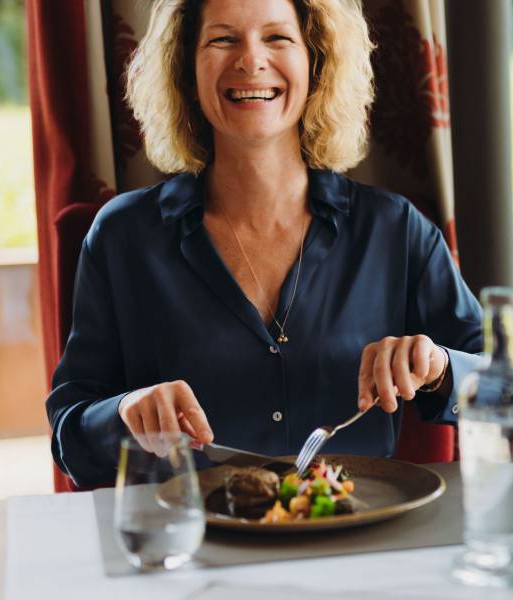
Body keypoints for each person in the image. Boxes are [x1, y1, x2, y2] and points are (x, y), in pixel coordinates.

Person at [46, 0, 482, 487]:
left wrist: (440, 366)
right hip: (192, 548)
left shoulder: (396, 230)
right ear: (186, 68)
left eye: (277, 38)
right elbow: (69, 434)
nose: (251, 60)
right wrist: (124, 411)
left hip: (356, 542)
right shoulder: (122, 237)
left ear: (315, 64)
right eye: (223, 39)